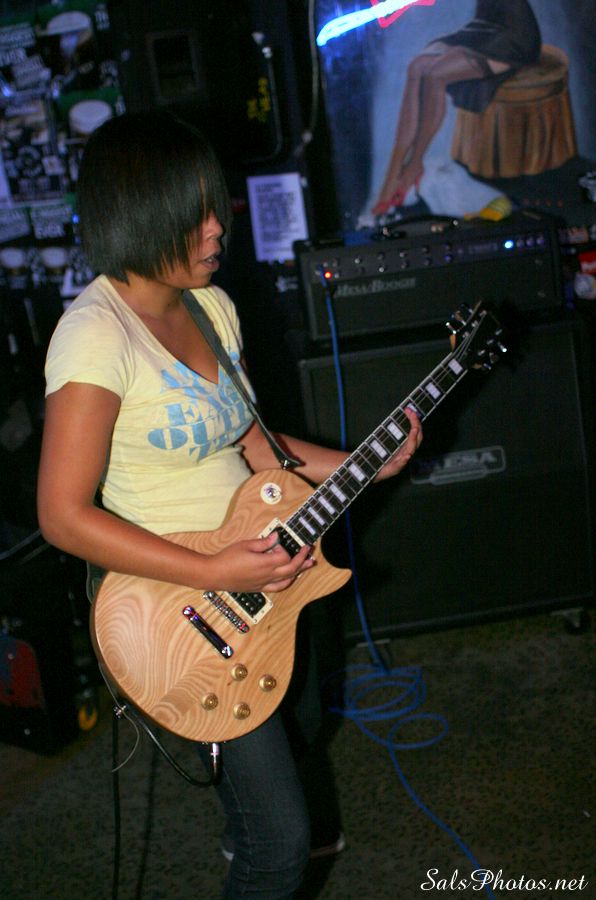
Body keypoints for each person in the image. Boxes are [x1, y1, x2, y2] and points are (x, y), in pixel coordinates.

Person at [36, 109, 423, 898]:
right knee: (284, 845)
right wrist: (213, 567)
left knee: (303, 723)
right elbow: (62, 515)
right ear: (141, 215)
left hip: (263, 574)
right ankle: (259, 842)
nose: (219, 226)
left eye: (217, 206)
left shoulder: (210, 306)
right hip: (178, 607)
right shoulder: (95, 335)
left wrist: (366, 462)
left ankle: (245, 829)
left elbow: (254, 442)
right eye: (197, 212)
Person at [371, 0, 541, 217]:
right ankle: (393, 172)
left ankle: (413, 165)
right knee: (417, 66)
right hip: (484, 26)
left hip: (512, 37)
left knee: (434, 75)